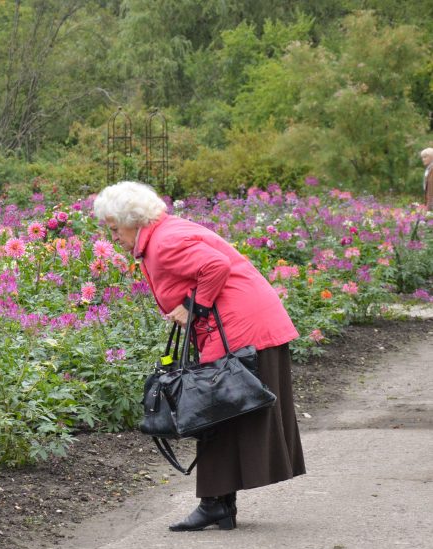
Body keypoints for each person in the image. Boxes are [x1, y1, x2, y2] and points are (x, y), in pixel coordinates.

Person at [93, 181, 306, 531]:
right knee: (219, 412)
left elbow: (216, 266)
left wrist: (193, 305)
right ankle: (218, 504)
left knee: (214, 410)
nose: (114, 237)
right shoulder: (163, 235)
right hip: (243, 323)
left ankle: (215, 505)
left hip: (243, 327)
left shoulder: (164, 242)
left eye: (115, 229)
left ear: (133, 221)